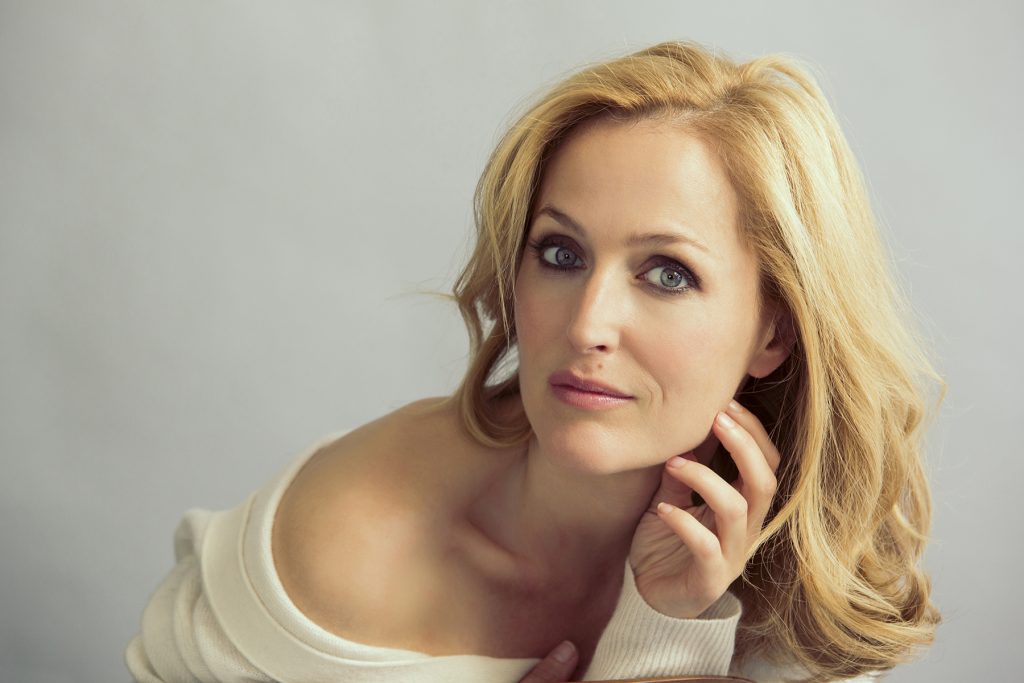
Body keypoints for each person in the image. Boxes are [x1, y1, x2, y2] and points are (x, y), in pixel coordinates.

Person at [125, 40, 942, 683]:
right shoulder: (355, 545)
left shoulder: (807, 577)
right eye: (560, 253)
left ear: (776, 331)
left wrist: (666, 625)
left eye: (667, 273)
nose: (588, 324)